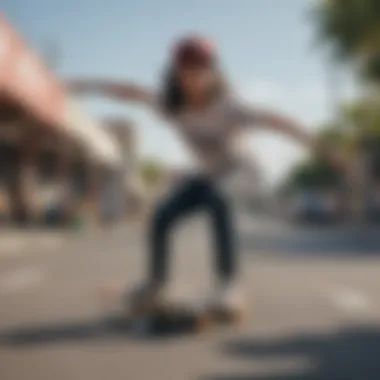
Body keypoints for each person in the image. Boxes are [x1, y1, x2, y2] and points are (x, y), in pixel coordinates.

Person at [67, 35, 342, 315]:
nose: (194, 79)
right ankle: (156, 284)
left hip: (241, 171)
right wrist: (80, 86)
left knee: (219, 199)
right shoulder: (171, 105)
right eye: (187, 72)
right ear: (177, 73)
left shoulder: (230, 106)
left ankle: (228, 286)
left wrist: (323, 149)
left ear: (212, 73)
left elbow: (278, 122)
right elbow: (130, 92)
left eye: (201, 71)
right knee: (162, 216)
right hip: (208, 175)